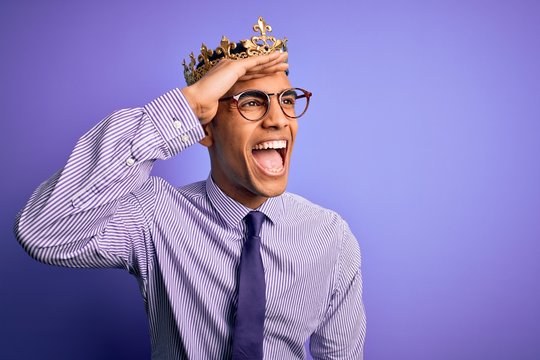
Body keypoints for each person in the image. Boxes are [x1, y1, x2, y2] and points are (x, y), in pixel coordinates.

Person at [14, 17, 366, 359]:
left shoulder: (330, 236)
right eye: (252, 102)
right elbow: (43, 231)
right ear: (206, 130)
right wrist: (188, 105)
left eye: (287, 100)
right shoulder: (154, 215)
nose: (277, 119)